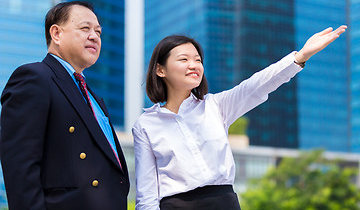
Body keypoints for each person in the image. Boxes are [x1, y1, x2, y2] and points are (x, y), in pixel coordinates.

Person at [132, 25, 347, 210]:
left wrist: (300, 57)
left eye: (198, 60)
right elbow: (147, 193)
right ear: (160, 70)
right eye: (184, 59)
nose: (194, 65)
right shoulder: (146, 124)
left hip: (223, 204)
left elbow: (256, 85)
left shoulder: (216, 106)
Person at [0, 1, 130, 210]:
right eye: (85, 28)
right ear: (56, 34)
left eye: (98, 32)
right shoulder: (35, 77)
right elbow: (20, 168)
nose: (95, 36)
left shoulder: (94, 98)